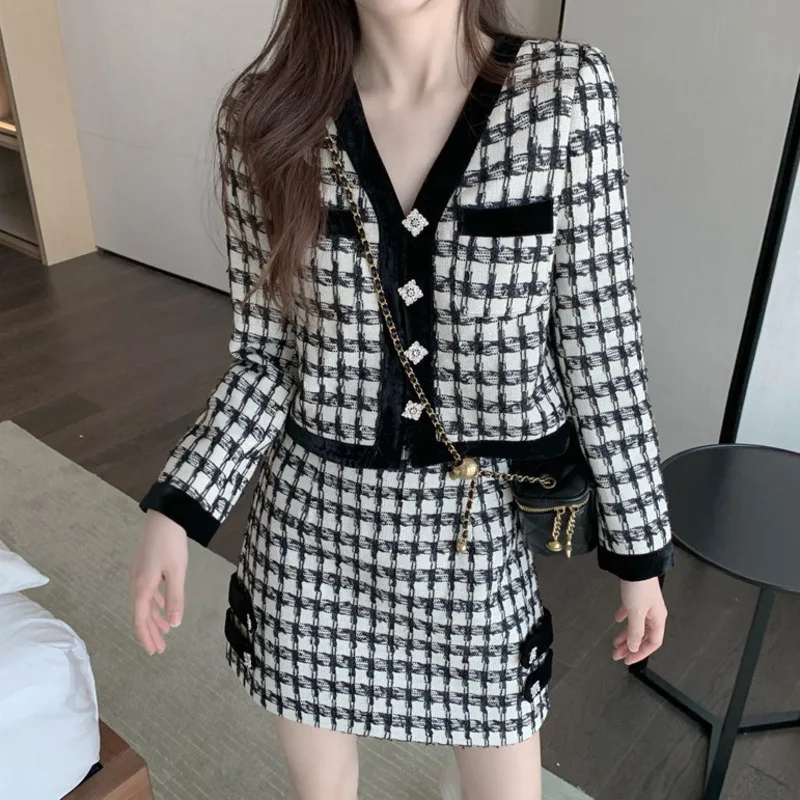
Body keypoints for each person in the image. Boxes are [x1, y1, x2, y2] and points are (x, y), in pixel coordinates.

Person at [129, 1, 674, 798]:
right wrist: (177, 507)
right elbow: (267, 358)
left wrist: (639, 551)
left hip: (471, 540)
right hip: (309, 543)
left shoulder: (563, 96)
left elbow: (603, 345)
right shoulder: (265, 116)